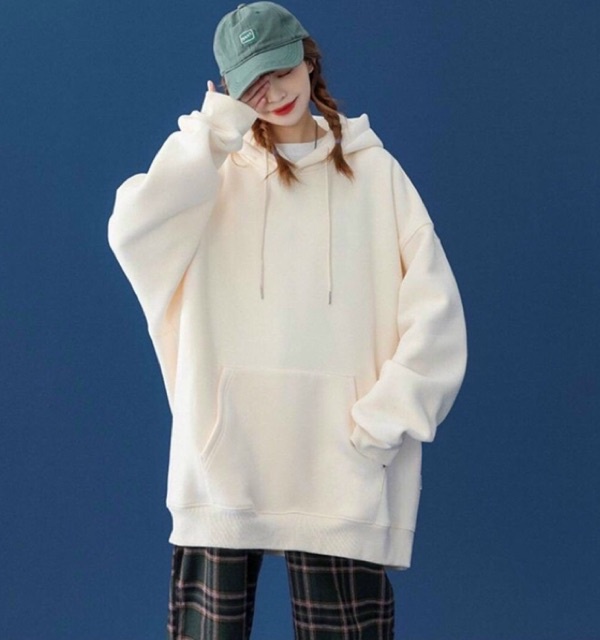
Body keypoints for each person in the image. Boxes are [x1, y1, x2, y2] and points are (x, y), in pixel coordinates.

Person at [108, 2, 468, 638]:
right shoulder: (210, 174)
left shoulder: (376, 174)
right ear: (229, 91)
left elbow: (437, 316)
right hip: (223, 465)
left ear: (307, 60)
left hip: (341, 466)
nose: (272, 93)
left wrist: (378, 427)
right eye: (251, 84)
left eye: (279, 71)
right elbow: (132, 231)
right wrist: (215, 132)